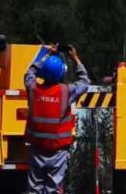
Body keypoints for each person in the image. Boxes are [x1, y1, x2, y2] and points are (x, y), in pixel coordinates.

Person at [24, 43, 90, 194]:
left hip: (37, 149)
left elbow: (30, 72)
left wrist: (45, 54)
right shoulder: (66, 91)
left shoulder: (33, 89)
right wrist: (75, 58)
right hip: (58, 151)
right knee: (53, 188)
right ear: (62, 72)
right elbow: (85, 81)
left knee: (34, 188)